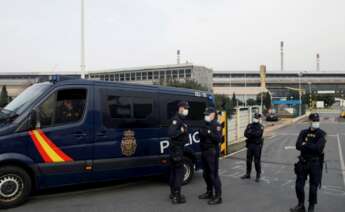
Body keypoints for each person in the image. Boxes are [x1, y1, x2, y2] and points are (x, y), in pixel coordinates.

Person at [290, 113, 326, 212]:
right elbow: (297, 145)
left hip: (315, 163)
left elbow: (318, 149)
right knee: (299, 185)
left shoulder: (322, 134)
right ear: (309, 121)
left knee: (313, 187)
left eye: (317, 120)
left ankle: (311, 207)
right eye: (313, 120)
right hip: (303, 162)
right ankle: (301, 205)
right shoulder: (303, 132)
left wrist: (305, 144)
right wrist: (311, 146)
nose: (315, 122)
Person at [198, 107, 223, 205]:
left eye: (207, 114)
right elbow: (200, 133)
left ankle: (218, 196)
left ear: (213, 114)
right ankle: (209, 192)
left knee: (213, 175)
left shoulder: (216, 125)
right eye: (205, 114)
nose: (206, 116)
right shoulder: (206, 124)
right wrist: (205, 132)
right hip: (204, 151)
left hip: (212, 152)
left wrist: (209, 133)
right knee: (206, 174)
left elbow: (218, 139)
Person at [168, 101, 190, 204]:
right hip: (177, 150)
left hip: (177, 149)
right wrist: (181, 131)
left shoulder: (181, 119)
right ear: (180, 108)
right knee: (178, 173)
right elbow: (171, 133)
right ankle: (177, 196)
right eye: (185, 108)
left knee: (174, 172)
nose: (187, 110)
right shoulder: (176, 119)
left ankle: (173, 193)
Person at [241, 113, 264, 182]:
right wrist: (252, 133)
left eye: (257, 118)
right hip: (250, 145)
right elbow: (245, 134)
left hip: (257, 146)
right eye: (255, 117)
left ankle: (258, 175)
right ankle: (248, 174)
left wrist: (250, 133)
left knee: (257, 161)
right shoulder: (249, 125)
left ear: (259, 119)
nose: (255, 119)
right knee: (248, 160)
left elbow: (258, 134)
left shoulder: (261, 126)